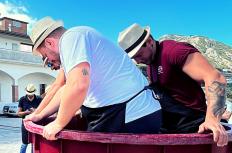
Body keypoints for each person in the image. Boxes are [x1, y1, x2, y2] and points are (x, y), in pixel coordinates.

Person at [26, 17, 162, 140]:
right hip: (123, 112)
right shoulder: (77, 42)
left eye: (45, 56)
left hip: (132, 113)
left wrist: (59, 123)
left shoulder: (71, 38)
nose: (49, 61)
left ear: (49, 43)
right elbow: (66, 88)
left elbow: (78, 85)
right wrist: (41, 114)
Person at [118, 23, 228, 146]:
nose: (137, 61)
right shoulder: (150, 65)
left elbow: (215, 78)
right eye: (133, 58)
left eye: (138, 55)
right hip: (172, 126)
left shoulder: (173, 51)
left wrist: (212, 120)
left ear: (149, 41)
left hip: (194, 124)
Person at [17, 84, 42, 153]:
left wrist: (35, 111)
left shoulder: (39, 99)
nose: (30, 96)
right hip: (25, 123)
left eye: (31, 94)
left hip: (36, 123)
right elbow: (18, 113)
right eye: (28, 94)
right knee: (24, 144)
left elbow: (43, 111)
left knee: (34, 143)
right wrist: (26, 112)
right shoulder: (22, 99)